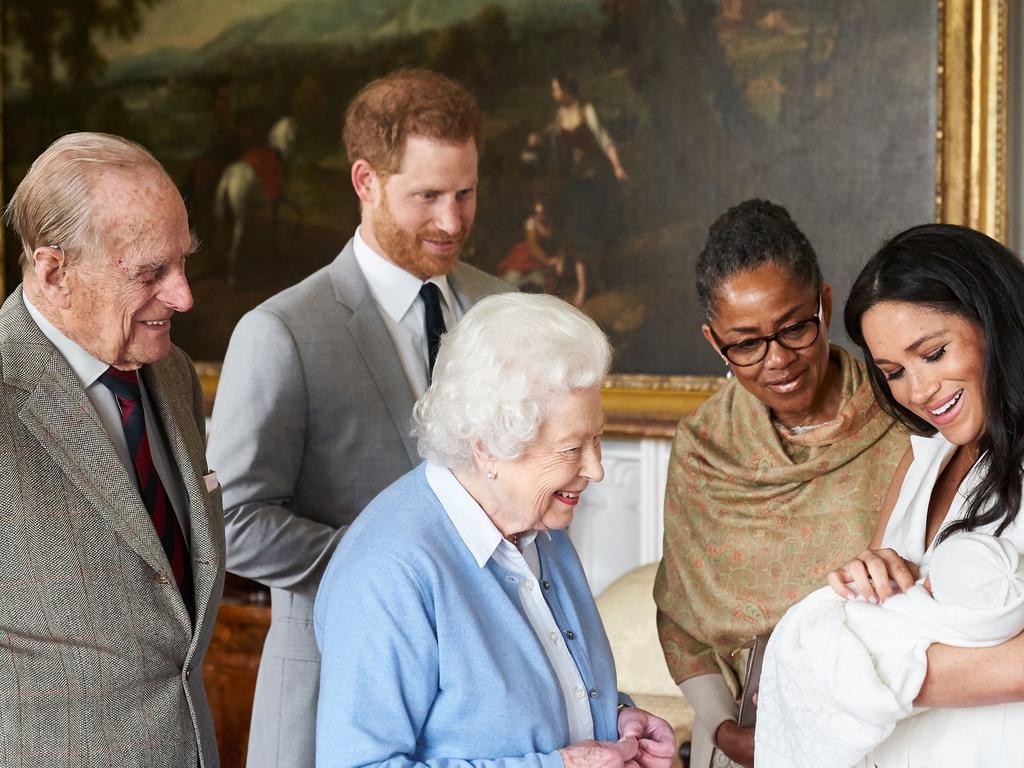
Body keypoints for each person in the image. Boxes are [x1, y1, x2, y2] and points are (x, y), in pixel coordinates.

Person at [206, 68, 512, 768]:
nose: (453, 220)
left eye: (466, 192)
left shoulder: (504, 307)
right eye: (427, 196)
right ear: (365, 181)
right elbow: (231, 523)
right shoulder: (280, 330)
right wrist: (396, 566)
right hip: (330, 689)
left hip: (483, 703)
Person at [314, 293, 676, 768]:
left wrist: (617, 719)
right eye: (571, 448)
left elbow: (531, 704)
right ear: (488, 447)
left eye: (598, 438)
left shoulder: (541, 524)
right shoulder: (388, 573)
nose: (596, 468)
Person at [652, 199, 908, 768]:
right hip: (743, 739)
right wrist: (720, 728)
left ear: (825, 303)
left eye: (795, 327)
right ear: (714, 342)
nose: (778, 361)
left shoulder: (905, 419)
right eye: (746, 343)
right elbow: (681, 618)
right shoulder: (704, 449)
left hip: (884, 731)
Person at [0, 132, 224, 767]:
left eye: (184, 262)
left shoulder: (173, 374)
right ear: (53, 270)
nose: (183, 296)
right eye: (151, 272)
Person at [823, 223, 1024, 766]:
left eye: (933, 353)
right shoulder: (921, 459)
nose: (919, 391)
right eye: (893, 372)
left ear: (994, 320)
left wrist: (872, 671)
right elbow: (876, 612)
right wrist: (872, 573)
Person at [757, 531, 1024, 768]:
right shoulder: (914, 472)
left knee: (816, 642)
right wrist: (874, 572)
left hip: (966, 749)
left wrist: (805, 683)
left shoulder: (920, 618)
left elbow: (868, 678)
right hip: (887, 744)